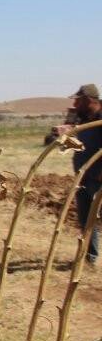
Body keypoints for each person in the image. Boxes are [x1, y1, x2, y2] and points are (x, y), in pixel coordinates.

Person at [70, 84, 102, 264]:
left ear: (89, 100)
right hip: (83, 177)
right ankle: (90, 258)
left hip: (98, 179)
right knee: (86, 220)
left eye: (78, 101)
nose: (75, 104)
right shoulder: (83, 119)